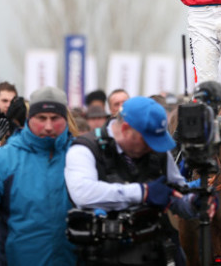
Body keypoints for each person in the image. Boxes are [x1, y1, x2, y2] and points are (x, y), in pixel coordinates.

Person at [65, 96, 205, 265]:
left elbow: (176, 194)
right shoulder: (85, 149)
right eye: (147, 140)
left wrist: (195, 202)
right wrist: (143, 192)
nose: (152, 147)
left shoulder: (157, 150)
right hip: (101, 256)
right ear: (125, 129)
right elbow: (83, 193)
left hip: (152, 253)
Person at [0, 86, 76, 265]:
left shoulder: (80, 156)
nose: (48, 126)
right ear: (29, 119)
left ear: (65, 120)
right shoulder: (3, 158)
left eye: (55, 118)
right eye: (41, 118)